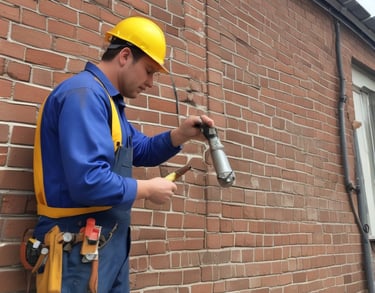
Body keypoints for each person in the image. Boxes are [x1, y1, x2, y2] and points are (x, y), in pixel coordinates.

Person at [32, 16, 214, 292]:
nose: (151, 82)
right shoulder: (84, 95)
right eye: (150, 71)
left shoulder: (106, 100)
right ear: (125, 56)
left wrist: (180, 135)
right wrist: (147, 188)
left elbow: (137, 150)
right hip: (75, 247)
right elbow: (88, 181)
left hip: (102, 246)